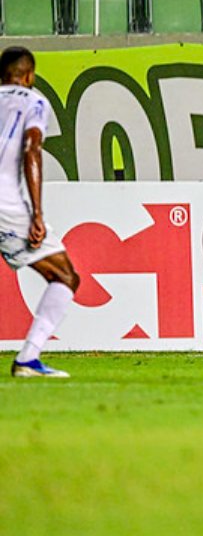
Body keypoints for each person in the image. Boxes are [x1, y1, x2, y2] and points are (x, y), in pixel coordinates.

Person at [0, 47, 81, 378]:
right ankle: (28, 358)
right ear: (29, 75)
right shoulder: (34, 102)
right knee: (64, 276)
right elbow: (32, 149)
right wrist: (37, 213)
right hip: (5, 203)